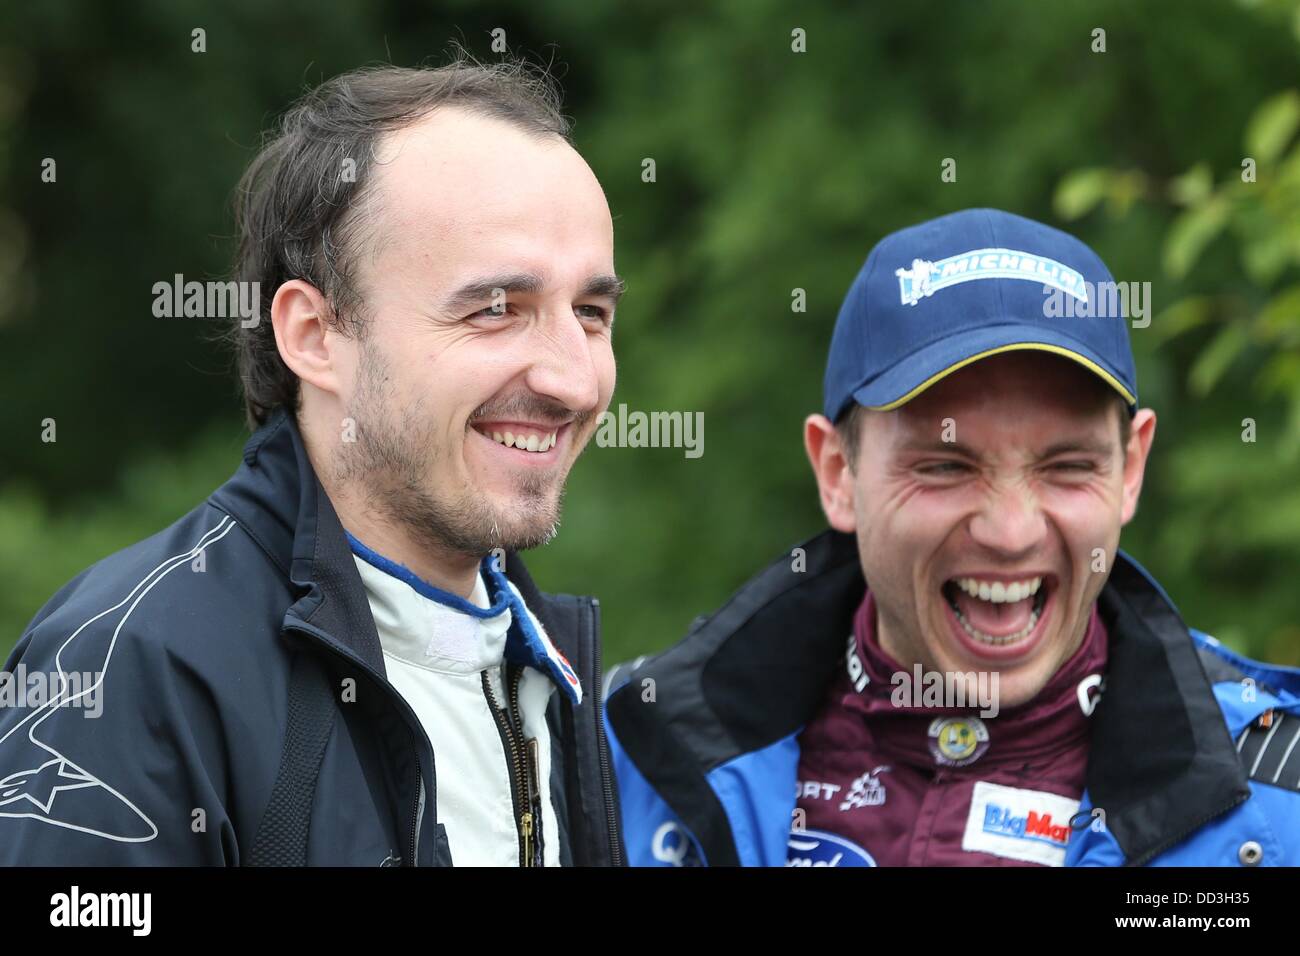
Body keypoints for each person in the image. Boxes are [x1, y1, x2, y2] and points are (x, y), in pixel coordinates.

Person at [0, 59, 625, 866]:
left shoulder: (547, 673)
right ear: (314, 335)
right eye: (497, 310)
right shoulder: (131, 668)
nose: (573, 379)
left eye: (592, 312)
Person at [604, 208, 1300, 867]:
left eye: (1067, 467)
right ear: (838, 471)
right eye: (945, 466)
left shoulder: (1278, 795)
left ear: (1131, 469)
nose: (1010, 531)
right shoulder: (623, 749)